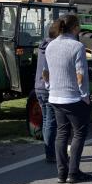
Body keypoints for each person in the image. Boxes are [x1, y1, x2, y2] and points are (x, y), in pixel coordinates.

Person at [45, 14, 92, 184]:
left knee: (62, 133)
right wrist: (85, 95)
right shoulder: (77, 46)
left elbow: (46, 72)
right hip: (72, 97)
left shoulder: (50, 45)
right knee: (79, 133)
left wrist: (50, 88)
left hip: (55, 96)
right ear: (76, 28)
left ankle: (61, 172)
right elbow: (81, 74)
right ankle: (73, 172)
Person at [35, 21, 58, 162]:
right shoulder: (53, 47)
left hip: (39, 87)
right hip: (47, 87)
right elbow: (47, 71)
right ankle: (51, 154)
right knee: (51, 121)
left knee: (45, 120)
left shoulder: (42, 46)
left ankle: (48, 151)